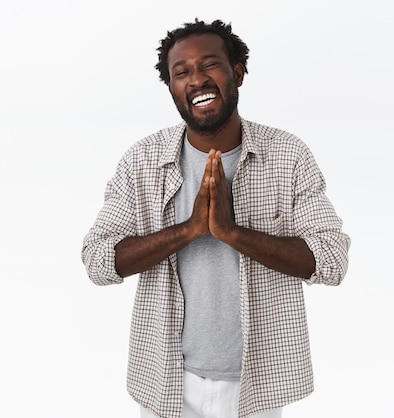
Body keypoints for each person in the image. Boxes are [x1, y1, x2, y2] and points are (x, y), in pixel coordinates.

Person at [81, 19, 350, 418]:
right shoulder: (142, 161)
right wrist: (189, 230)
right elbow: (97, 261)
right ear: (171, 87)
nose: (196, 80)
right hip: (167, 381)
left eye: (209, 65)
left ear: (237, 73)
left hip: (256, 385)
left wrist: (232, 233)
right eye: (182, 72)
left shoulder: (287, 156)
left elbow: (332, 260)